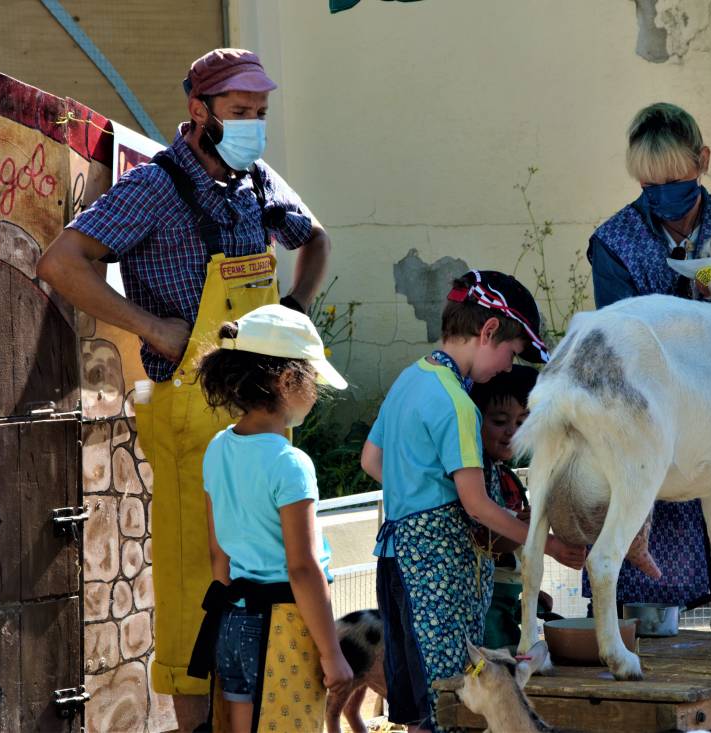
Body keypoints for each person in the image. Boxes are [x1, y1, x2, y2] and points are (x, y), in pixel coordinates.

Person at [37, 48, 332, 725]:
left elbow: (314, 238)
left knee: (270, 576)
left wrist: (299, 304)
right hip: (187, 416)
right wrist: (152, 327)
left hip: (263, 415)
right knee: (196, 585)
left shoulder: (256, 180)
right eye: (239, 113)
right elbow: (62, 262)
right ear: (199, 110)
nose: (255, 125)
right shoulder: (154, 188)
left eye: (261, 113)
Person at [583, 102, 711, 633]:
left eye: (673, 178)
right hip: (656, 423)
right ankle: (651, 703)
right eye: (649, 182)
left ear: (702, 161)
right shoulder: (614, 241)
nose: (662, 192)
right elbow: (619, 338)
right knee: (646, 595)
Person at [360, 270, 585, 732]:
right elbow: (478, 506)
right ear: (486, 332)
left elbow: (371, 460)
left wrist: (416, 493)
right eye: (511, 353)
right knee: (453, 698)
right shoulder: (457, 403)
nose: (506, 367)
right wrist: (553, 546)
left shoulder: (409, 380)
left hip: (395, 558)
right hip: (439, 573)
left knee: (420, 704)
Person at [189, 304, 353, 733]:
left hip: (233, 620)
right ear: (286, 380)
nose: (316, 391)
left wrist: (229, 610)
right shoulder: (291, 463)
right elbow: (301, 566)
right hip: (282, 625)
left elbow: (217, 553)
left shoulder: (217, 449)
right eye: (313, 379)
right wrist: (332, 652)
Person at [469, 366, 560, 651]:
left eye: (523, 422)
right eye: (499, 421)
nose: (512, 432)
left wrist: (530, 593)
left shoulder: (507, 477)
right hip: (486, 604)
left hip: (509, 599)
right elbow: (487, 540)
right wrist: (532, 531)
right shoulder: (474, 476)